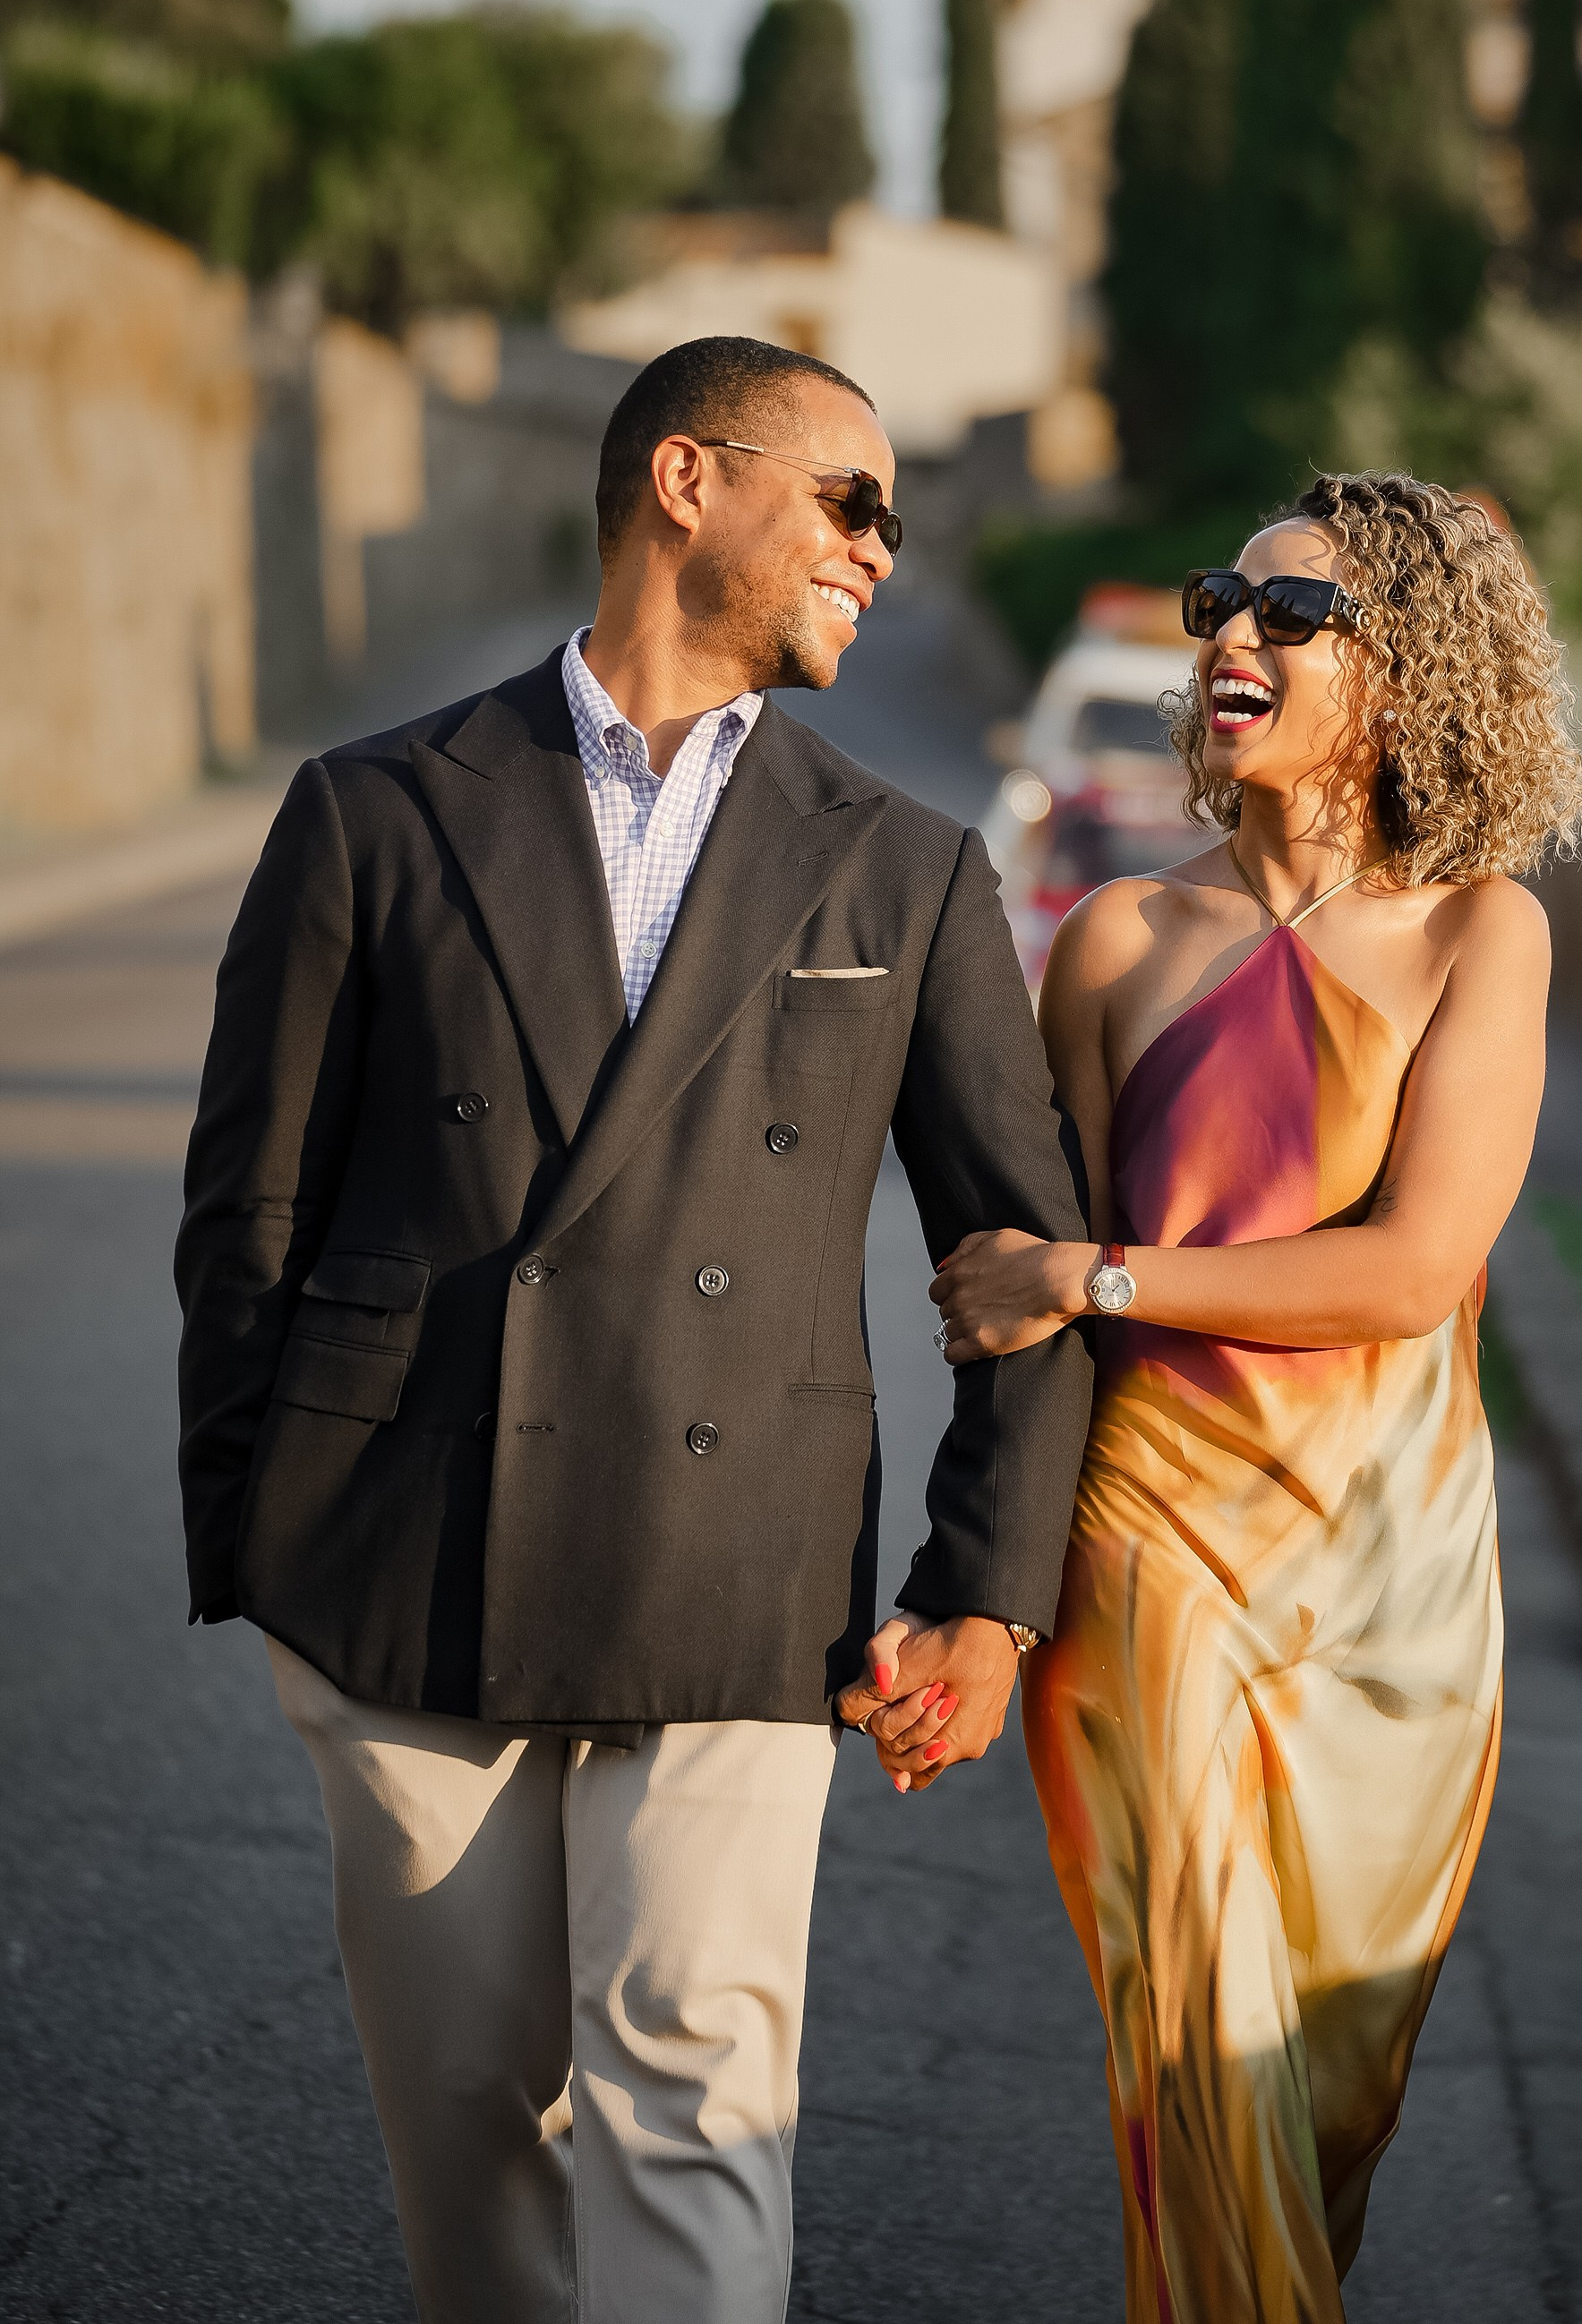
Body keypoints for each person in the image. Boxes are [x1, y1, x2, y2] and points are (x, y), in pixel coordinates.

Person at [175, 335, 1092, 2324]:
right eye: (848, 500)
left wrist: (985, 1592)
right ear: (688, 480)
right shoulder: (375, 809)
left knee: (696, 2104)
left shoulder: (907, 867)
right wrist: (260, 1535)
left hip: (738, 1567)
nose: (881, 548)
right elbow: (249, 1207)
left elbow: (1018, 1255)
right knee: (471, 2122)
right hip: (407, 1561)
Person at [912, 471, 1582, 2322]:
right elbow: (1028, 1308)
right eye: (1226, 599)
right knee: (1196, 2067)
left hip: (1392, 1585)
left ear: (1411, 671)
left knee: (1317, 2115)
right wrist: (979, 1600)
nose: (1233, 633)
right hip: (1149, 1556)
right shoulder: (1117, 939)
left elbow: (1414, 1269)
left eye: (1295, 613)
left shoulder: (1479, 936)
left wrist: (1101, 1275)